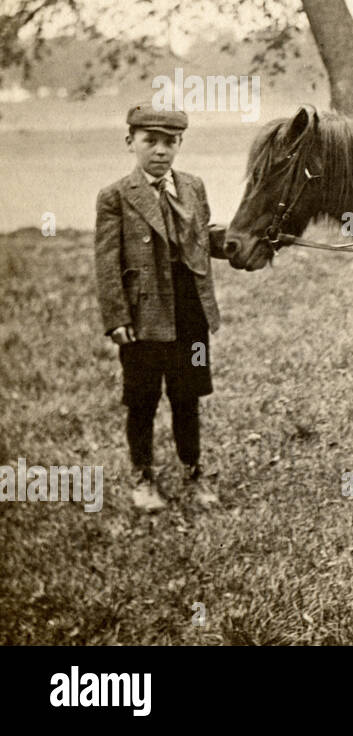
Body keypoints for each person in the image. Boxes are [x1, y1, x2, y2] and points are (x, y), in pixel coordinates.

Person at [95, 104, 227, 512]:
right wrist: (117, 317)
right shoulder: (116, 195)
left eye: (170, 143)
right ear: (130, 143)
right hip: (143, 317)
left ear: (180, 144)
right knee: (143, 398)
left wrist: (244, 241)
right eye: (149, 142)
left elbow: (203, 238)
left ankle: (193, 470)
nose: (160, 152)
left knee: (187, 395)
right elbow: (106, 261)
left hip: (189, 310)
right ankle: (143, 476)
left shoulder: (192, 186)